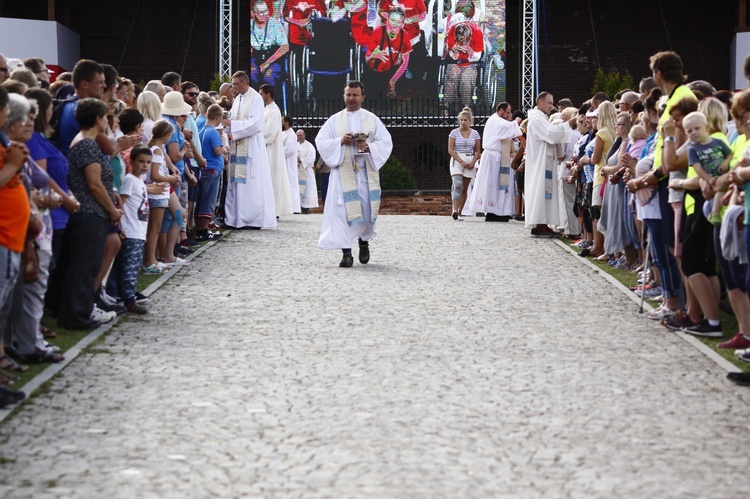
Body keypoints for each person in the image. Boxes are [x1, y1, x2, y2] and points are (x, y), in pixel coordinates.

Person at [46, 98, 120, 329]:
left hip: (89, 212)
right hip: (89, 212)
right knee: (85, 265)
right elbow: (94, 184)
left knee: (82, 264)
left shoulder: (85, 142)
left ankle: (76, 311)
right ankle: (75, 315)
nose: (107, 121)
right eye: (105, 117)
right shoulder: (87, 145)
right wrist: (111, 210)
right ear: (98, 119)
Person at [315, 81, 393, 267]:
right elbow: (322, 141)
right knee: (341, 212)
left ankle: (363, 241)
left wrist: (368, 146)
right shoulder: (334, 120)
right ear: (344, 96)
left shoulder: (372, 119)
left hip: (365, 173)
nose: (351, 98)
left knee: (365, 210)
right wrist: (340, 141)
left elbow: (386, 143)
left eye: (355, 95)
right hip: (343, 173)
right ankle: (346, 252)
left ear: (362, 97)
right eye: (348, 95)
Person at [219, 71, 277, 229]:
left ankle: (251, 219)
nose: (233, 88)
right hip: (237, 144)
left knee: (250, 182)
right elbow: (236, 118)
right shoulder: (238, 99)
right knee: (235, 182)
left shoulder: (256, 99)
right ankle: (234, 219)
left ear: (244, 82)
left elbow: (255, 124)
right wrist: (228, 119)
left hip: (251, 144)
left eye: (235, 84)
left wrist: (231, 125)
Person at [524, 92, 571, 237]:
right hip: (540, 163)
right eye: (549, 103)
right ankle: (541, 224)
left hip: (543, 161)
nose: (552, 106)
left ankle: (542, 224)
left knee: (543, 192)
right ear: (540, 103)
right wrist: (569, 124)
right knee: (541, 192)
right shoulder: (537, 120)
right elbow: (551, 134)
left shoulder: (540, 118)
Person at [112, 145, 152, 314]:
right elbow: (122, 202)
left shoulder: (140, 181)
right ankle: (128, 299)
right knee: (129, 266)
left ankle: (128, 294)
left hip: (139, 230)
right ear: (132, 161)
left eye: (148, 162)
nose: (144, 165)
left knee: (135, 266)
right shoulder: (129, 180)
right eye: (141, 161)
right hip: (130, 230)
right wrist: (119, 225)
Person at [467, 103, 523, 222]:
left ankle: (500, 212)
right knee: (492, 184)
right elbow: (508, 127)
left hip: (500, 157)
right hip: (493, 158)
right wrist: (516, 121)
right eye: (508, 112)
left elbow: (507, 132)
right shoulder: (495, 120)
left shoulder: (498, 120)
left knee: (501, 185)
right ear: (501, 111)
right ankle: (492, 212)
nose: (509, 115)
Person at [683, 111, 732, 224]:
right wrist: (708, 179)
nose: (694, 133)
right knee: (716, 193)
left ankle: (715, 213)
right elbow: (697, 168)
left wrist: (725, 163)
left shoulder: (718, 142)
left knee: (721, 190)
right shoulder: (692, 149)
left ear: (707, 127)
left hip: (724, 176)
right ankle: (714, 214)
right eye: (690, 131)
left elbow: (729, 154)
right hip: (711, 180)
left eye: (697, 128)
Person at [260, 84, 293, 217]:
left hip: (270, 151)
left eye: (261, 93)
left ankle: (273, 210)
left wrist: (257, 139)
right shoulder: (265, 109)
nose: (260, 96)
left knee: (272, 178)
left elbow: (269, 132)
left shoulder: (274, 111)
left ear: (268, 94)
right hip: (265, 149)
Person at [196, 104, 227, 240]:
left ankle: (201, 229)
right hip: (213, 169)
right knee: (208, 201)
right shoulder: (213, 132)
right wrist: (224, 149)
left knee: (202, 199)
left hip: (205, 170)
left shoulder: (202, 130)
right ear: (217, 117)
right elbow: (217, 150)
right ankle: (203, 230)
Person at [447, 106, 481, 220]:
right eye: (461, 120)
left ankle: (460, 212)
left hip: (470, 159)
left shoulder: (475, 133)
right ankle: (454, 210)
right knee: (457, 185)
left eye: (465, 120)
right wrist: (460, 161)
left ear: (470, 121)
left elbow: (478, 150)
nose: (463, 122)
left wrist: (473, 162)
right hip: (457, 159)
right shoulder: (454, 133)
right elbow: (450, 150)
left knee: (464, 188)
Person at [250, 0, 289, 90]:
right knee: (251, 75)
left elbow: (285, 47)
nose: (265, 15)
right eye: (261, 13)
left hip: (274, 58)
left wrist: (267, 63)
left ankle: (269, 102)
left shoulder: (275, 24)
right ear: (253, 13)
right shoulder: (250, 24)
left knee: (269, 77)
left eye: (266, 11)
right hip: (256, 57)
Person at [282, 115, 301, 213]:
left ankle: (294, 208)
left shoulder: (292, 134)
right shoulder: (283, 133)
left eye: (282, 120)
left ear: (286, 122)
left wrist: (277, 151)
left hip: (289, 163)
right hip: (283, 163)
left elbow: (290, 150)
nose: (280, 122)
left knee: (291, 185)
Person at [297, 129, 318, 213]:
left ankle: (305, 208)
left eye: (300, 135)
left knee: (307, 190)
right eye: (298, 135)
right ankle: (297, 207)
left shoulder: (309, 146)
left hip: (306, 171)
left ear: (304, 135)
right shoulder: (295, 145)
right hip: (297, 170)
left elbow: (311, 159)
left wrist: (300, 160)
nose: (299, 137)